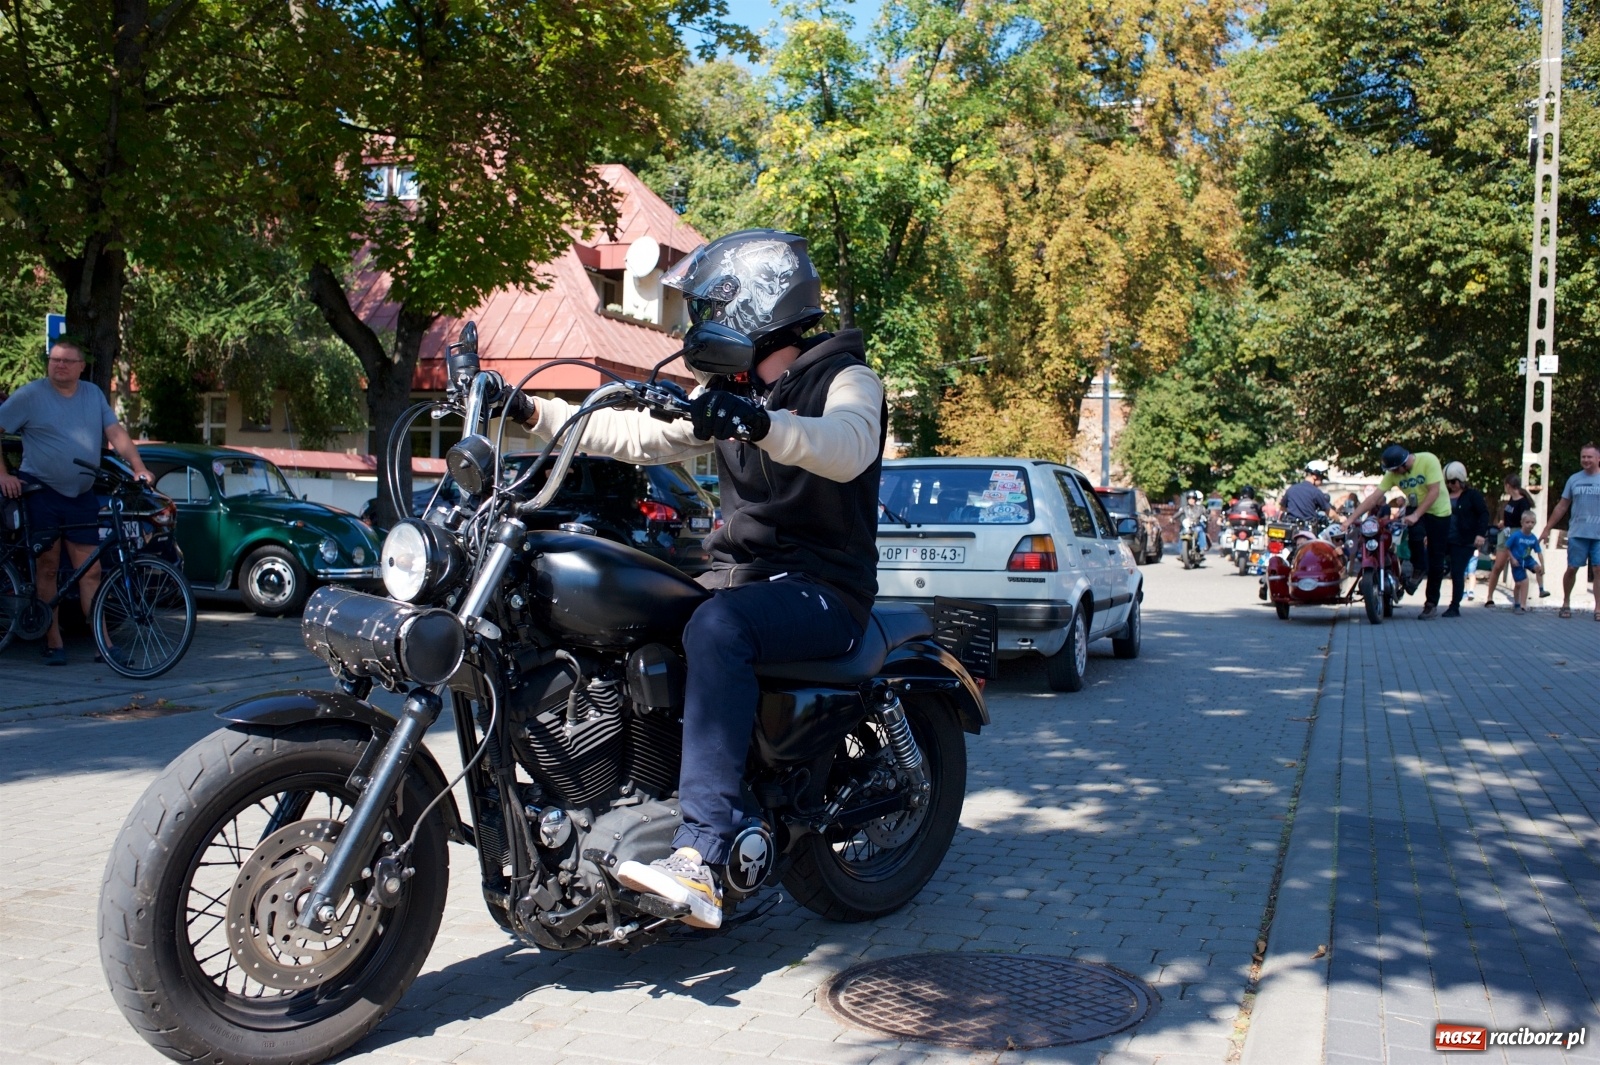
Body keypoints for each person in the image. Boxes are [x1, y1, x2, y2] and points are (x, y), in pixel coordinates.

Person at [502, 229, 883, 928]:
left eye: (711, 307)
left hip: (825, 588)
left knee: (717, 625)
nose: (697, 324)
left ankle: (701, 854)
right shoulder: (727, 390)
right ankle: (634, 796)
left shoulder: (848, 379)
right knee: (634, 613)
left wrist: (763, 424)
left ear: (757, 306)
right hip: (742, 578)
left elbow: (846, 446)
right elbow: (635, 434)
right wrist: (533, 414)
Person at [0, 338, 152, 663]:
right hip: (40, 491)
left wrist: (138, 468)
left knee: (91, 571)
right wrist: (3, 474)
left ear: (81, 366)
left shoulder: (93, 395)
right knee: (48, 567)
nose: (60, 365)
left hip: (81, 495)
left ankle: (104, 644)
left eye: (68, 361)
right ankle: (53, 641)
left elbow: (116, 433)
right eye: (55, 359)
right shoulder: (30, 395)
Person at [1344, 444, 1451, 619]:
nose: (1394, 475)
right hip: (1416, 508)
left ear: (1403, 464)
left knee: (1436, 558)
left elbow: (1434, 492)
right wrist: (1350, 519)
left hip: (1439, 512)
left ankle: (1431, 604)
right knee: (1414, 538)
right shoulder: (1393, 473)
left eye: (1395, 470)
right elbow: (1374, 498)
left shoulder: (1428, 460)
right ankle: (1418, 569)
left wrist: (1416, 515)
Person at [1539, 441, 1600, 621]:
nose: (1586, 460)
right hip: (1578, 533)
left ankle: (1598, 608)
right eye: (1583, 457)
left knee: (1598, 569)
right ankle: (1566, 602)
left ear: (1598, 458)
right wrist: (1547, 528)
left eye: (1589, 457)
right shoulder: (1574, 479)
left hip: (1598, 535)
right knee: (1572, 568)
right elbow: (1562, 505)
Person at [1440, 461, 1490, 617]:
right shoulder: (1443, 496)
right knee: (1434, 568)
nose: (1450, 485)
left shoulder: (1472, 496)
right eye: (1447, 482)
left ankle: (1454, 606)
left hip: (1464, 541)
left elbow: (1484, 513)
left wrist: (1480, 534)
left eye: (1453, 481)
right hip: (1445, 539)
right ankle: (1430, 604)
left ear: (1461, 479)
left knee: (1457, 571)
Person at [1484, 473, 1542, 606]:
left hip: (1517, 534)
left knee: (1518, 565)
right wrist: (1503, 522)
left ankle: (1520, 601)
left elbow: (1525, 521)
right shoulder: (1511, 499)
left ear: (1508, 486)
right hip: (1505, 532)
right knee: (1498, 565)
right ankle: (1489, 596)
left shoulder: (1523, 502)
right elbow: (1510, 516)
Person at [1505, 510, 1544, 615]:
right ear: (1522, 523)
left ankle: (1540, 590)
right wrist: (1512, 558)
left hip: (1527, 559)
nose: (1530, 524)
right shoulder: (1516, 535)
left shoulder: (1533, 538)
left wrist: (1542, 565)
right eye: (1527, 522)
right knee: (1518, 584)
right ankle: (1517, 603)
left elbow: (1539, 552)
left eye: (1532, 522)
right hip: (1517, 561)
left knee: (1538, 569)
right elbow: (1507, 547)